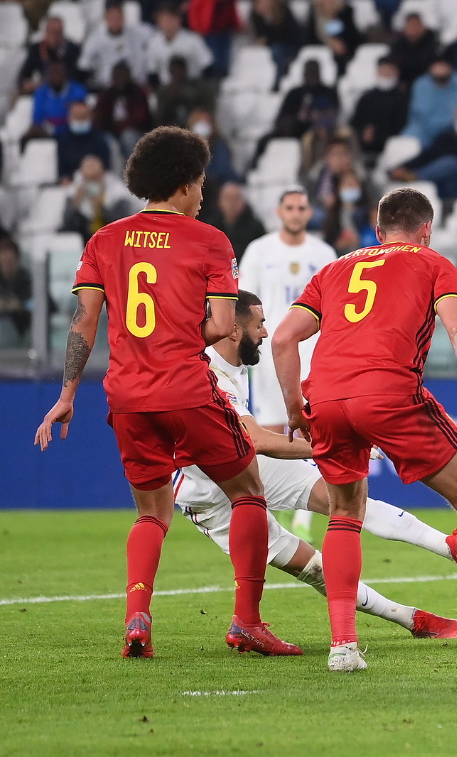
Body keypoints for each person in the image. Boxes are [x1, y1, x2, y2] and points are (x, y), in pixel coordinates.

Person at [34, 126, 300, 659]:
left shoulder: (104, 241)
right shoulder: (210, 241)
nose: (202, 194)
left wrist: (67, 395)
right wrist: (178, 334)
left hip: (127, 399)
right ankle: (247, 622)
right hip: (187, 389)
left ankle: (137, 618)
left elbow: (85, 321)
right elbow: (225, 324)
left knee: (151, 514)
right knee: (248, 493)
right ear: (183, 184)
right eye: (200, 183)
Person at [272, 187, 457, 672]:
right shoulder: (432, 262)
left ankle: (343, 647)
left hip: (328, 399)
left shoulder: (334, 268)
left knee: (343, 513)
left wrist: (296, 407)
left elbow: (282, 338)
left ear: (378, 232)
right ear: (426, 230)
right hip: (389, 393)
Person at [175, 290, 457, 639]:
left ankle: (448, 547)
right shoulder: (205, 369)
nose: (266, 333)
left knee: (346, 502)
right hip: (206, 490)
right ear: (235, 330)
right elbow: (252, 438)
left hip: (242, 466)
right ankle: (408, 618)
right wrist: (325, 447)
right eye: (260, 324)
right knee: (312, 566)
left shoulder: (233, 367)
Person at [240, 187, 336, 434]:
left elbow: (333, 306)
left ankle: (312, 475)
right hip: (269, 352)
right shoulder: (259, 250)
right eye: (290, 208)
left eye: (301, 208)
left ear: (309, 213)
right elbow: (243, 302)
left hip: (311, 353)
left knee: (312, 429)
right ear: (279, 212)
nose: (295, 214)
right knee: (270, 429)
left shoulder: (324, 254)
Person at [401, 57, 457, 149]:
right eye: (437, 67)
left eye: (444, 67)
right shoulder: (420, 86)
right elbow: (414, 115)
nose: (440, 71)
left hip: (454, 133)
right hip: (424, 132)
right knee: (407, 139)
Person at [78, 0, 152, 91]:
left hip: (135, 88)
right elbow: (83, 67)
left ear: (123, 16)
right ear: (105, 18)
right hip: (107, 90)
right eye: (112, 17)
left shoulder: (138, 34)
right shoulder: (95, 41)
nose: (116, 20)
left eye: (118, 16)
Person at [62, 154, 136, 241]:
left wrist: (100, 207)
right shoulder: (74, 190)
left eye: (93, 167)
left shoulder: (116, 189)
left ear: (102, 171)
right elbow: (67, 224)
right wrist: (76, 202)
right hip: (83, 237)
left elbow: (123, 221)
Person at [351, 56, 409, 161]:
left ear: (396, 73)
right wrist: (363, 132)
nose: (385, 75)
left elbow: (402, 124)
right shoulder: (367, 97)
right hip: (363, 144)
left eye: (389, 72)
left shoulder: (402, 98)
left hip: (390, 143)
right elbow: (355, 121)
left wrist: (377, 136)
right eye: (383, 72)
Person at [93, 62, 153, 156]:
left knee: (128, 137)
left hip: (134, 131)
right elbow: (98, 116)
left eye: (122, 75)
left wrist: (123, 125)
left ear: (128, 76)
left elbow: (142, 118)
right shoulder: (106, 95)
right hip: (110, 131)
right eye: (116, 76)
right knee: (107, 142)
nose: (119, 79)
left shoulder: (137, 93)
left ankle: (131, 167)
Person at [148, 2, 214, 87]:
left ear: (179, 19)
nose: (169, 23)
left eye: (172, 19)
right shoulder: (154, 43)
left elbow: (207, 68)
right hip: (167, 91)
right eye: (165, 19)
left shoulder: (193, 40)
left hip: (191, 90)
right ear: (159, 21)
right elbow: (152, 73)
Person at [199, 182, 267, 261]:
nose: (232, 203)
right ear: (219, 201)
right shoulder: (209, 226)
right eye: (228, 198)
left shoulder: (256, 228)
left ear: (243, 201)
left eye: (236, 199)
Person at [17, 14, 81, 95]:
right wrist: (27, 83)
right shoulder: (36, 49)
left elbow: (75, 75)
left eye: (57, 32)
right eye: (50, 32)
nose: (53, 36)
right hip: (42, 89)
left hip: (66, 90)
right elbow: (24, 74)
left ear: (62, 32)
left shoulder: (73, 49)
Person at [26, 61, 86, 141]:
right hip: (47, 133)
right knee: (29, 135)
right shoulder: (41, 92)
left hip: (72, 133)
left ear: (65, 74)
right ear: (47, 75)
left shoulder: (77, 90)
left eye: (59, 72)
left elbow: (79, 116)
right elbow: (37, 119)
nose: (56, 76)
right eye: (53, 73)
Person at [55, 101, 112, 182]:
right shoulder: (63, 141)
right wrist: (65, 179)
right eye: (77, 116)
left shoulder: (100, 140)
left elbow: (106, 168)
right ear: (69, 117)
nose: (80, 120)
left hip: (97, 182)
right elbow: (62, 171)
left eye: (83, 117)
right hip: (71, 185)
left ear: (90, 117)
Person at [303, 0, 363, 76]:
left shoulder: (346, 12)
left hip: (343, 53)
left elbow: (353, 36)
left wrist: (341, 44)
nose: (328, 3)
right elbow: (310, 37)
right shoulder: (314, 13)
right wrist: (329, 43)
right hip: (320, 50)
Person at [154, 56, 216, 127]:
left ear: (185, 70)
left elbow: (206, 109)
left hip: (193, 125)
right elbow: (159, 117)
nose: (177, 73)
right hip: (171, 127)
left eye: (179, 70)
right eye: (174, 70)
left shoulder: (197, 89)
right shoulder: (163, 91)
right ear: (170, 71)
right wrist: (169, 98)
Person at [250, 0, 303, 82]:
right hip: (271, 48)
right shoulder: (257, 17)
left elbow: (290, 35)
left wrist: (267, 40)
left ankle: (278, 81)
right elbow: (260, 35)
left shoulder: (283, 12)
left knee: (277, 50)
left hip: (289, 46)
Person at [186, 0, 240, 79]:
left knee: (225, 62)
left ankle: (223, 80)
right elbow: (194, 11)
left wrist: (237, 24)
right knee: (213, 61)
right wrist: (197, 28)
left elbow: (232, 10)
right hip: (210, 33)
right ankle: (214, 82)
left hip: (226, 32)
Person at [389, 11, 439, 88]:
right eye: (410, 25)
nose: (413, 28)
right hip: (403, 83)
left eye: (416, 25)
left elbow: (430, 64)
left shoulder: (433, 44)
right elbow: (396, 64)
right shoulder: (397, 45)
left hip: (428, 83)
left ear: (423, 27)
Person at [0, 239, 32, 346]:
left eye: (10, 262)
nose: (7, 267)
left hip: (26, 330)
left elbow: (43, 305)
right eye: (3, 263)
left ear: (17, 260)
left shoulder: (28, 281)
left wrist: (21, 305)